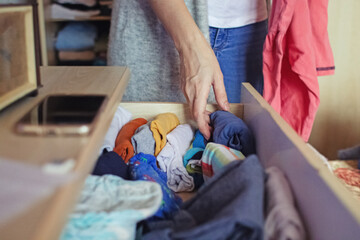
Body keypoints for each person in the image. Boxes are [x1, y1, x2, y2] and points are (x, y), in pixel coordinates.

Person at [108, 0, 267, 140]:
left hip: (250, 27)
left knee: (238, 151)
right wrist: (190, 46)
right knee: (142, 141)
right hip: (157, 25)